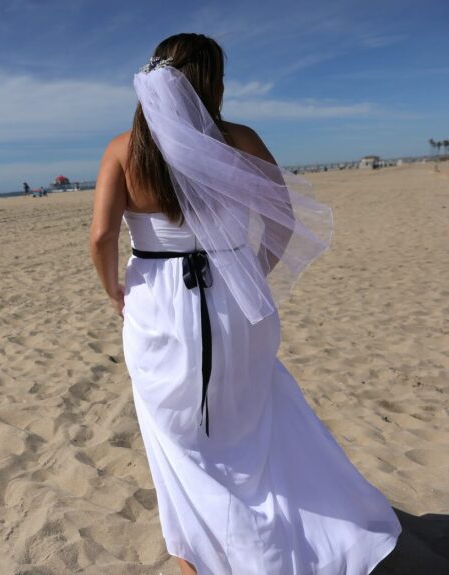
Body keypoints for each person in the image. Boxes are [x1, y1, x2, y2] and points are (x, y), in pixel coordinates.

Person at [89, 33, 399, 575]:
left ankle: (196, 552)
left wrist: (113, 289)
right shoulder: (240, 138)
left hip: (158, 302)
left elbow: (100, 236)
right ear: (212, 82)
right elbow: (283, 217)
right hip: (234, 296)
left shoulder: (123, 148)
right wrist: (252, 270)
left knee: (175, 431)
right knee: (251, 420)